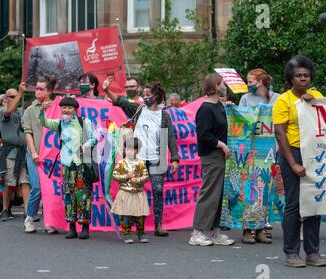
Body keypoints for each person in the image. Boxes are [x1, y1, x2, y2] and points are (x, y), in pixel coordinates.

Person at [103, 78, 180, 237]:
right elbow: (120, 101)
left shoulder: (164, 117)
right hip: (136, 159)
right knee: (133, 190)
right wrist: (106, 90)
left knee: (158, 190)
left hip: (157, 158)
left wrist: (174, 158)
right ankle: (132, 224)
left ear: (157, 97)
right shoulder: (138, 110)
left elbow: (170, 138)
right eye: (143, 94)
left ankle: (159, 225)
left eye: (148, 94)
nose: (144, 97)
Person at [273, 55, 326, 268]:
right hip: (292, 153)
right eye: (298, 76)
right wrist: (293, 164)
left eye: (306, 75)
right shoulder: (283, 100)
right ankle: (292, 253)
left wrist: (313, 103)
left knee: (314, 204)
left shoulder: (317, 95)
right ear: (291, 79)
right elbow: (279, 133)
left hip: (314, 153)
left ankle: (313, 253)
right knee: (294, 204)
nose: (303, 79)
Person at [39, 97, 97, 239]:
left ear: (75, 109)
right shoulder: (60, 124)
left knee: (83, 195)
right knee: (69, 195)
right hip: (67, 165)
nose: (66, 110)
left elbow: (94, 138)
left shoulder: (84, 122)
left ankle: (84, 227)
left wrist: (86, 145)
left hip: (82, 164)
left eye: (69, 108)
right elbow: (45, 122)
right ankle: (72, 227)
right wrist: (42, 111)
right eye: (64, 107)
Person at [188, 73, 235, 246]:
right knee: (209, 193)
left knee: (219, 194)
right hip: (212, 155)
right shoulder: (206, 108)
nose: (225, 85)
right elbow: (203, 135)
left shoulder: (218, 106)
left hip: (220, 156)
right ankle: (198, 232)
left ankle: (215, 231)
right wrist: (221, 144)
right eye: (222, 83)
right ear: (215, 85)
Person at [238, 68, 280, 245]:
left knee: (266, 189)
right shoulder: (246, 98)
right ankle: (248, 229)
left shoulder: (276, 98)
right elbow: (240, 121)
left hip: (270, 150)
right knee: (250, 189)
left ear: (260, 82)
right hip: (252, 149)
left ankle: (262, 228)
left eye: (250, 81)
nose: (248, 84)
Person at [22, 76, 58, 234]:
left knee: (52, 189)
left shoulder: (58, 107)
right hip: (35, 154)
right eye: (36, 88)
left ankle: (50, 222)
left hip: (53, 156)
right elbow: (28, 133)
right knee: (36, 187)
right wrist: (34, 152)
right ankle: (29, 218)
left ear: (49, 91)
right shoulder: (31, 109)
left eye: (41, 89)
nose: (37, 91)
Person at [0, 85, 30, 222]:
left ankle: (28, 212)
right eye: (12, 96)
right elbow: (9, 111)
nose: (15, 98)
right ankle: (5, 209)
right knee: (10, 182)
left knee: (25, 181)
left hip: (23, 151)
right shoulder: (3, 111)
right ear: (6, 98)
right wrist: (20, 93)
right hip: (11, 151)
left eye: (16, 96)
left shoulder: (22, 111)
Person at [112, 137, 150, 244]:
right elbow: (115, 176)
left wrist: (137, 180)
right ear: (124, 149)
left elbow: (146, 177)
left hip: (138, 192)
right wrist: (126, 176)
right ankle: (126, 233)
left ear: (137, 150)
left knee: (140, 215)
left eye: (132, 149)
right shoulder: (121, 163)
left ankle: (140, 233)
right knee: (125, 214)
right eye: (127, 149)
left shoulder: (141, 163)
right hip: (125, 192)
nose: (129, 151)